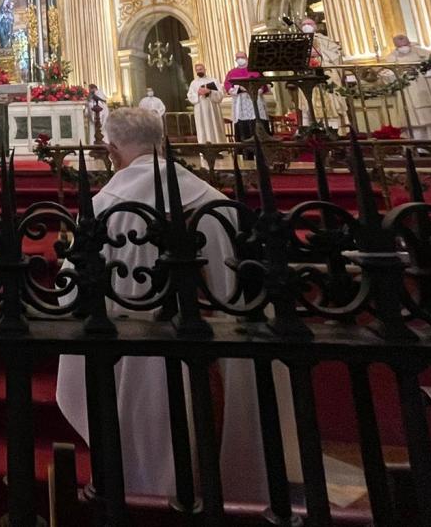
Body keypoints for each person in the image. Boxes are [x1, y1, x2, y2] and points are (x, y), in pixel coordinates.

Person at [55, 107, 274, 501]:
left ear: (112, 150)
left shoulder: (106, 206)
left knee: (142, 459)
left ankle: (144, 504)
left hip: (138, 355)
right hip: (217, 350)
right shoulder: (215, 201)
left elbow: (73, 292)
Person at [386, 34, 431, 140]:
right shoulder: (391, 58)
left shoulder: (424, 53)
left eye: (404, 43)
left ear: (409, 42)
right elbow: (388, 76)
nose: (402, 46)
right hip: (408, 90)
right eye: (400, 45)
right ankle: (419, 145)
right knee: (413, 121)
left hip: (428, 88)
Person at [224, 52, 269, 142]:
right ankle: (245, 146)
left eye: (242, 57)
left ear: (247, 58)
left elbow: (263, 85)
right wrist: (240, 88)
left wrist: (252, 88)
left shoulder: (255, 71)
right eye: (238, 57)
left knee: (257, 119)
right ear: (235, 60)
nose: (240, 59)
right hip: (240, 102)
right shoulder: (232, 72)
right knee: (243, 125)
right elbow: (227, 86)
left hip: (255, 100)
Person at [188, 64, 225, 143]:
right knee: (202, 128)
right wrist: (197, 93)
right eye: (197, 70)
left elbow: (221, 94)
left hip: (213, 108)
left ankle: (219, 146)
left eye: (201, 69)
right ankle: (204, 147)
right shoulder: (193, 83)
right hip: (200, 109)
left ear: (205, 69)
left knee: (215, 127)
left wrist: (210, 91)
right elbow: (190, 95)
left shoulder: (214, 80)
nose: (199, 71)